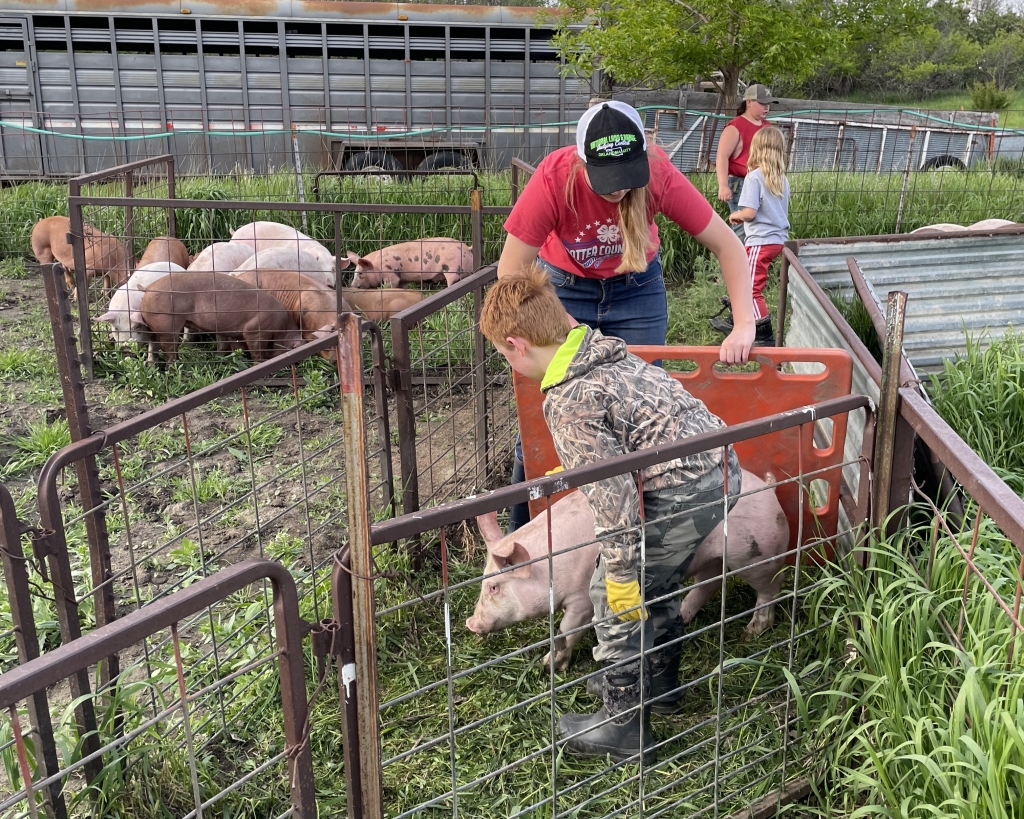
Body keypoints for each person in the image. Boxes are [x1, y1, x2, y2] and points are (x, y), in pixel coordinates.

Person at [479, 264, 742, 763]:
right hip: (720, 469)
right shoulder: (598, 352)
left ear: (515, 344)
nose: (508, 363)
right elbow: (626, 431)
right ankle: (658, 683)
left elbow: (617, 500)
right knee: (657, 578)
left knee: (615, 586)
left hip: (685, 490)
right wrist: (585, 460)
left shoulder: (568, 398)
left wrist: (618, 573)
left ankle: (624, 725)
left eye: (502, 355)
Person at [499, 99, 753, 531]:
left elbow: (727, 244)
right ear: (582, 163)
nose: (617, 190)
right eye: (606, 180)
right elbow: (510, 271)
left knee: (636, 411)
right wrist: (562, 325)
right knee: (548, 409)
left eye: (624, 179)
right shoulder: (554, 177)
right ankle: (523, 539)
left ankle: (634, 533)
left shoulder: (659, 174)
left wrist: (745, 321)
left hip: (637, 292)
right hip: (563, 290)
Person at [711, 126, 790, 347]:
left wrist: (736, 215)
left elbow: (750, 212)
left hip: (760, 241)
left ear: (756, 149)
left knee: (751, 289)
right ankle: (738, 318)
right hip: (777, 239)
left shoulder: (754, 178)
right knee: (746, 280)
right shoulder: (781, 179)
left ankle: (763, 333)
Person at [715, 84, 779, 239]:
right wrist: (723, 186)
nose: (767, 108)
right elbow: (722, 156)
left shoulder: (767, 127)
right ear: (748, 102)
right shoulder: (735, 126)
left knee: (759, 227)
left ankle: (750, 260)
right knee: (743, 229)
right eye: (762, 104)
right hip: (742, 182)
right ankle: (738, 261)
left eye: (768, 104)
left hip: (764, 181)